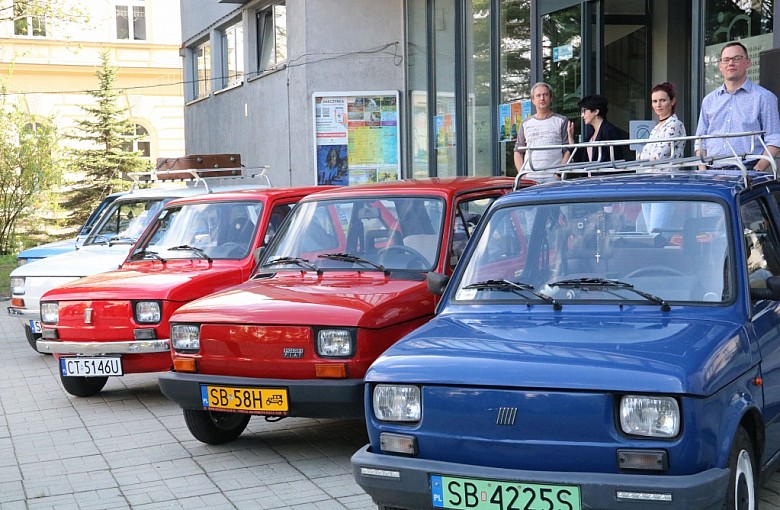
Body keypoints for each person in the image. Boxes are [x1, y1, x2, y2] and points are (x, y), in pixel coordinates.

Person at [695, 41, 780, 171]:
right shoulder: (709, 100)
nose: (730, 63)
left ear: (748, 63)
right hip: (711, 173)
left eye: (737, 58)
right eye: (726, 60)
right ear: (720, 66)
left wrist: (756, 170)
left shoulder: (764, 98)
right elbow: (700, 141)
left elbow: (774, 140)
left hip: (748, 171)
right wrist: (703, 170)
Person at [639, 83, 687, 231]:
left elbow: (658, 156)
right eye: (654, 101)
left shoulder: (675, 124)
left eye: (662, 100)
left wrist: (645, 157)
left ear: (672, 101)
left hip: (665, 184)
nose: (658, 105)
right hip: (648, 183)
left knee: (657, 232)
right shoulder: (656, 128)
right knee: (649, 232)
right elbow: (641, 157)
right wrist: (645, 157)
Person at [514, 82, 571, 171]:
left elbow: (568, 149)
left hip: (553, 177)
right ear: (533, 100)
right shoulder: (525, 124)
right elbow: (518, 151)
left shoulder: (562, 121)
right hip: (530, 176)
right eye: (538, 95)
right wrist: (523, 174)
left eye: (545, 95)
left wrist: (559, 173)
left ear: (551, 98)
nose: (542, 98)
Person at [567, 94, 626, 162]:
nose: (582, 115)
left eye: (584, 111)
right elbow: (581, 158)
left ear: (596, 111)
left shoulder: (609, 131)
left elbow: (613, 158)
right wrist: (571, 139)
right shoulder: (591, 133)